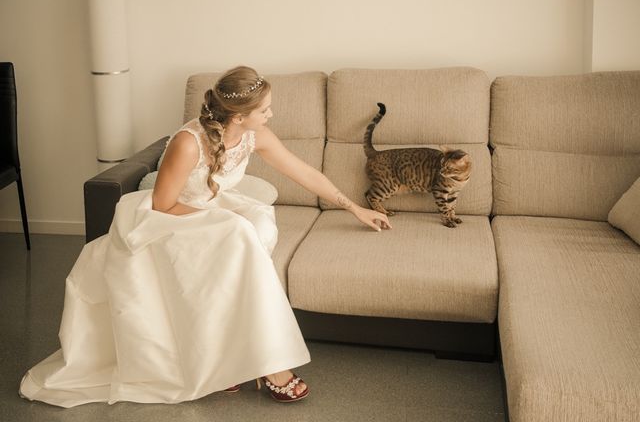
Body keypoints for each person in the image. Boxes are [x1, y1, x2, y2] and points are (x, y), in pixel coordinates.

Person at [19, 66, 391, 407]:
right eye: (265, 110)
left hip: (209, 211)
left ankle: (232, 359)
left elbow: (301, 171)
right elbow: (163, 204)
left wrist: (354, 207)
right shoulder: (188, 142)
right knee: (239, 232)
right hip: (166, 221)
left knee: (255, 227)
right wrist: (218, 222)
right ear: (239, 115)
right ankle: (272, 367)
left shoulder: (254, 135)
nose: (271, 116)